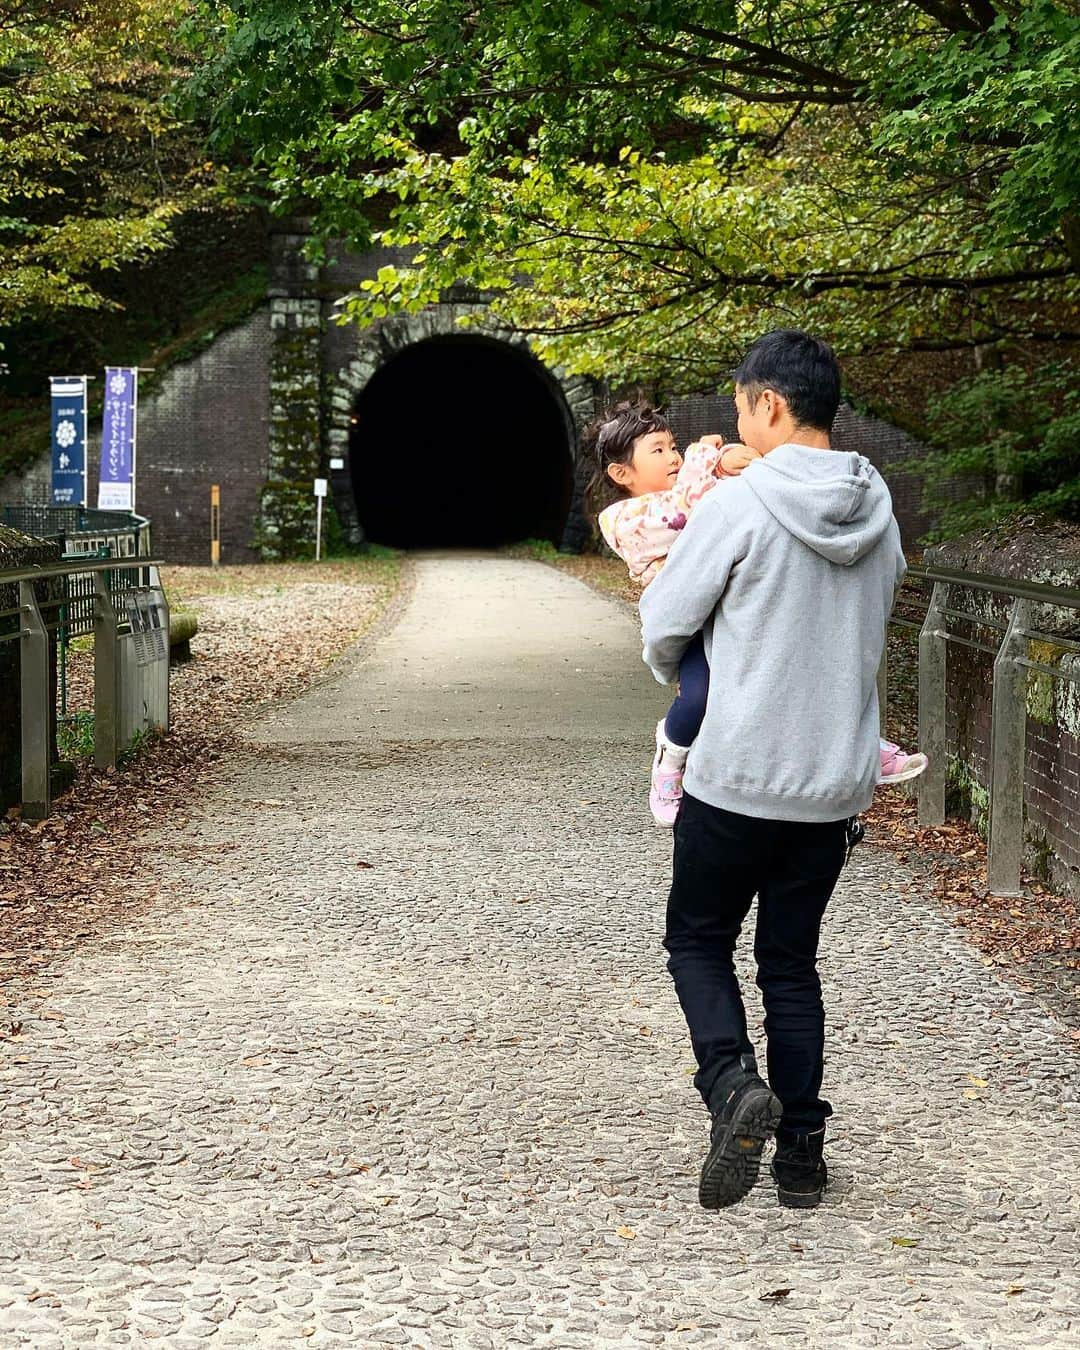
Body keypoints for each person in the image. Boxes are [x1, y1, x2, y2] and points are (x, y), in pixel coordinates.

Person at [638, 329, 907, 1210]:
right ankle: (801, 1154)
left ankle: (730, 1087)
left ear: (772, 406)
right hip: (832, 785)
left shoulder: (738, 508)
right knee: (791, 966)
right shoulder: (878, 509)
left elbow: (666, 620)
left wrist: (688, 667)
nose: (734, 421)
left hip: (737, 776)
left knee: (698, 940)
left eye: (741, 404)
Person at [589, 404, 926, 827]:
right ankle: (670, 760)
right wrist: (705, 457)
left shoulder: (691, 486)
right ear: (623, 474)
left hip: (732, 608)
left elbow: (735, 493)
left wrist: (729, 460)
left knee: (799, 669)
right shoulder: (624, 519)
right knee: (699, 694)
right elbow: (687, 512)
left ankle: (854, 744)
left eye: (674, 446)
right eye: (658, 450)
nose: (674, 456)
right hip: (695, 625)